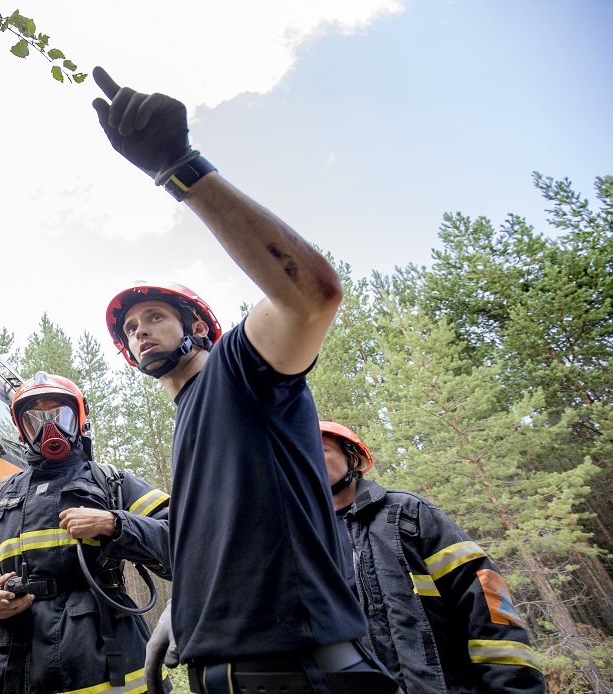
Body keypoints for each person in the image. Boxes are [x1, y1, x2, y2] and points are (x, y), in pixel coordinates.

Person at [93, 67, 400, 693]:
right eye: (130, 328)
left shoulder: (239, 374)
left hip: (296, 674)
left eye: (156, 317)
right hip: (221, 674)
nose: (140, 331)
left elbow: (311, 296)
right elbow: (219, 544)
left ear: (200, 328)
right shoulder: (191, 425)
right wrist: (187, 611)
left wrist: (180, 168)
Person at [0, 371, 172, 694]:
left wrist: (115, 524)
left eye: (59, 415)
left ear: (80, 420)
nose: (50, 428)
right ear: (22, 429)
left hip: (104, 658)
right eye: (36, 418)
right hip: (12, 666)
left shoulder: (111, 482)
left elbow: (184, 541)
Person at [321, 421, 545, 693]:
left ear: (352, 458)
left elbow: (483, 599)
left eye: (321, 449)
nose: (309, 459)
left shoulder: (405, 513)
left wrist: (515, 688)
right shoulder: (301, 538)